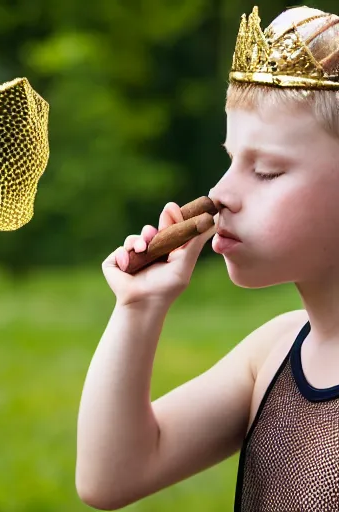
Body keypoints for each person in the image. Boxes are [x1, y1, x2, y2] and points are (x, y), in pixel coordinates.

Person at [76, 5, 339, 511]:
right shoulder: (273, 353)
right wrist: (139, 309)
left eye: (265, 171)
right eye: (230, 160)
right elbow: (110, 476)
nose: (220, 194)